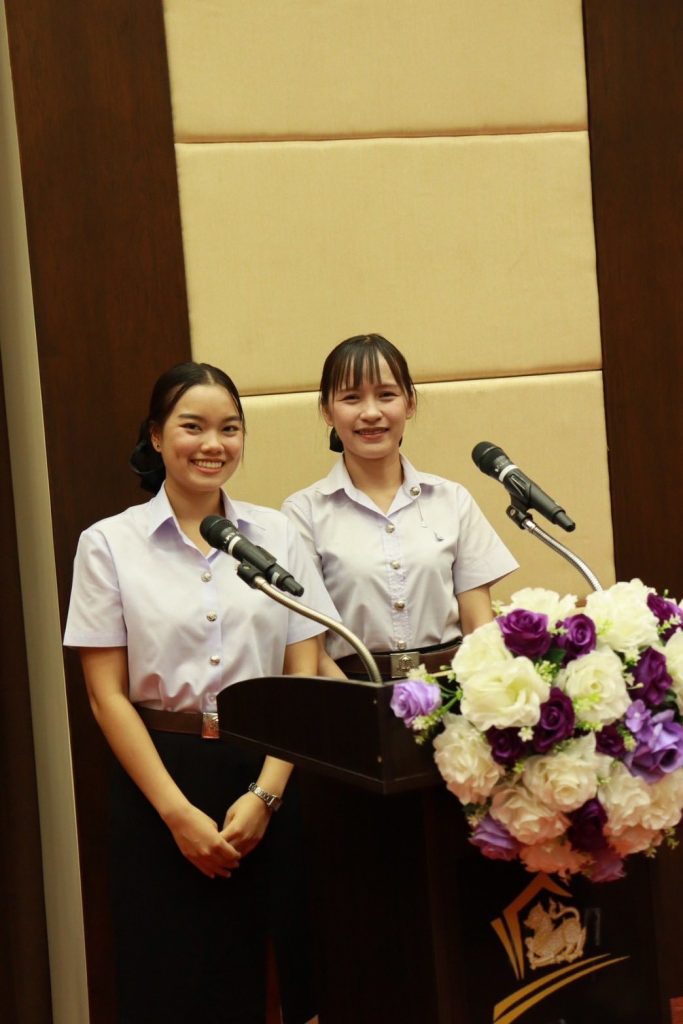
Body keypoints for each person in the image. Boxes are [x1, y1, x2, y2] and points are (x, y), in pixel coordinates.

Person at [64, 361, 336, 1024]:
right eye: (193, 427)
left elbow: (304, 674)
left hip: (268, 766)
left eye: (229, 428)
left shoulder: (278, 535)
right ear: (157, 436)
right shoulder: (109, 544)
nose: (213, 444)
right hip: (160, 775)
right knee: (173, 982)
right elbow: (105, 696)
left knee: (289, 977)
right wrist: (177, 814)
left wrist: (266, 796)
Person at [282, 334, 518, 679]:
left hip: (451, 686)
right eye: (351, 398)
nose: (371, 413)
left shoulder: (452, 499)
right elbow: (309, 645)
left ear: (410, 403)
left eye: (386, 395)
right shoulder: (303, 513)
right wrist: (358, 704)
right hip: (351, 691)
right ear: (327, 411)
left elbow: (477, 622)